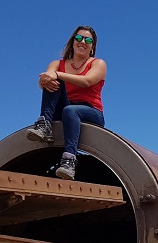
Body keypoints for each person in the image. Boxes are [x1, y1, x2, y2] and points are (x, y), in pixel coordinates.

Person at [26, 25, 107, 180]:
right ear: (73, 41)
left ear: (92, 46)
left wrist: (56, 75)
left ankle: (69, 160)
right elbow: (45, 79)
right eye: (79, 38)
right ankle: (44, 125)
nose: (82, 41)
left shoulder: (98, 64)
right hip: (65, 108)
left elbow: (86, 81)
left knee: (70, 109)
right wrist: (46, 79)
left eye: (87, 39)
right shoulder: (57, 64)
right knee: (54, 82)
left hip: (91, 111)